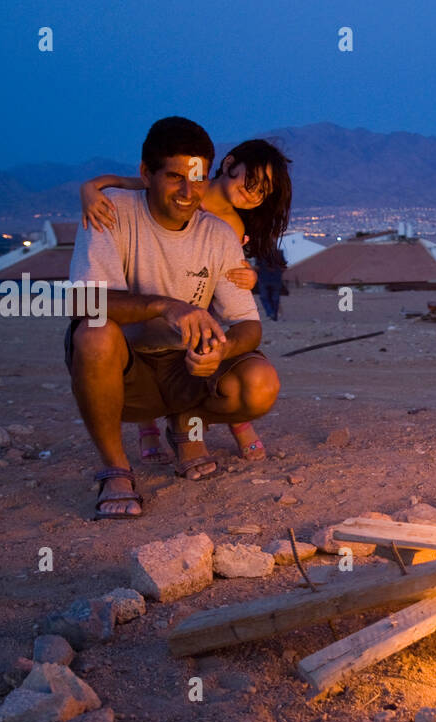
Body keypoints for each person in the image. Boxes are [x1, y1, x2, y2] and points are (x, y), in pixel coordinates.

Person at [67, 116, 280, 518]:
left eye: (197, 178)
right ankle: (115, 468)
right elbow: (84, 302)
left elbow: (248, 324)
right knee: (93, 334)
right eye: (175, 177)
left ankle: (185, 424)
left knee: (259, 383)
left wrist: (224, 350)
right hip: (126, 370)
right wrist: (167, 306)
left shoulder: (219, 232)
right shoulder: (109, 210)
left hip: (185, 368)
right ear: (146, 173)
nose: (188, 191)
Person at [255, 251, 288, 321]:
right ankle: (273, 315)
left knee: (266, 298)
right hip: (273, 279)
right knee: (274, 298)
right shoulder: (278, 253)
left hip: (265, 279)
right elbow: (284, 267)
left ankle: (271, 313)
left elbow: (257, 267)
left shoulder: (261, 254)